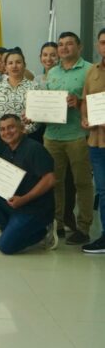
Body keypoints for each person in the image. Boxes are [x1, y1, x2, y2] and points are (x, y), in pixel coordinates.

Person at [0, 114, 57, 255]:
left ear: (22, 128)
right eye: (2, 129)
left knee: (5, 247)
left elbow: (50, 179)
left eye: (11, 127)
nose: (6, 132)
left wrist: (24, 199)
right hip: (17, 204)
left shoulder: (34, 148)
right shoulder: (7, 150)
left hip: (35, 209)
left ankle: (43, 230)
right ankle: (7, 229)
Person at [43, 32, 93, 245]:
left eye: (69, 44)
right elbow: (45, 101)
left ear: (79, 47)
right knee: (55, 182)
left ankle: (83, 227)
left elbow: (98, 101)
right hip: (52, 136)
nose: (64, 48)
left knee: (82, 183)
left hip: (78, 136)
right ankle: (58, 224)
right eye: (61, 44)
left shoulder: (90, 70)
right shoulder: (52, 71)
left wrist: (79, 102)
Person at [81, 28, 105, 253]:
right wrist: (85, 118)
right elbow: (85, 101)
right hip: (97, 143)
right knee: (103, 191)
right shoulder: (92, 71)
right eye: (103, 42)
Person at [0, 49, 39, 135]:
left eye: (18, 62)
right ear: (5, 67)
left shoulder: (34, 87)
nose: (14, 66)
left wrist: (26, 131)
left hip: (26, 136)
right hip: (1, 136)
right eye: (10, 63)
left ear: (24, 65)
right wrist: (2, 131)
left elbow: (39, 114)